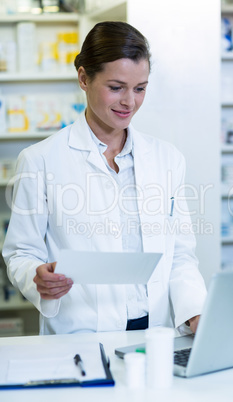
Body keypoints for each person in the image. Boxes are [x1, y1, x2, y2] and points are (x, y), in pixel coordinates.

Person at [2, 21, 207, 335]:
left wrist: (194, 312)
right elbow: (21, 252)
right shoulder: (40, 161)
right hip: (80, 332)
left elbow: (179, 252)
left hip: (155, 331)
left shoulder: (167, 159)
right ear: (84, 78)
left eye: (140, 88)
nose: (129, 101)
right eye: (116, 87)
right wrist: (37, 275)